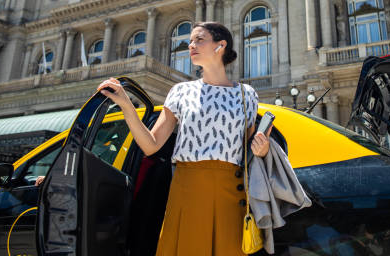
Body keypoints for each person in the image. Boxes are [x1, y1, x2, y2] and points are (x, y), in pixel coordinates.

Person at [97, 21, 271, 256]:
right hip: (188, 189)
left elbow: (250, 150)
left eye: (199, 39)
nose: (190, 45)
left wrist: (261, 149)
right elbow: (151, 145)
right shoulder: (181, 91)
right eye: (190, 41)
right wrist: (126, 105)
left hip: (232, 193)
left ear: (221, 46)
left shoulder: (247, 94)